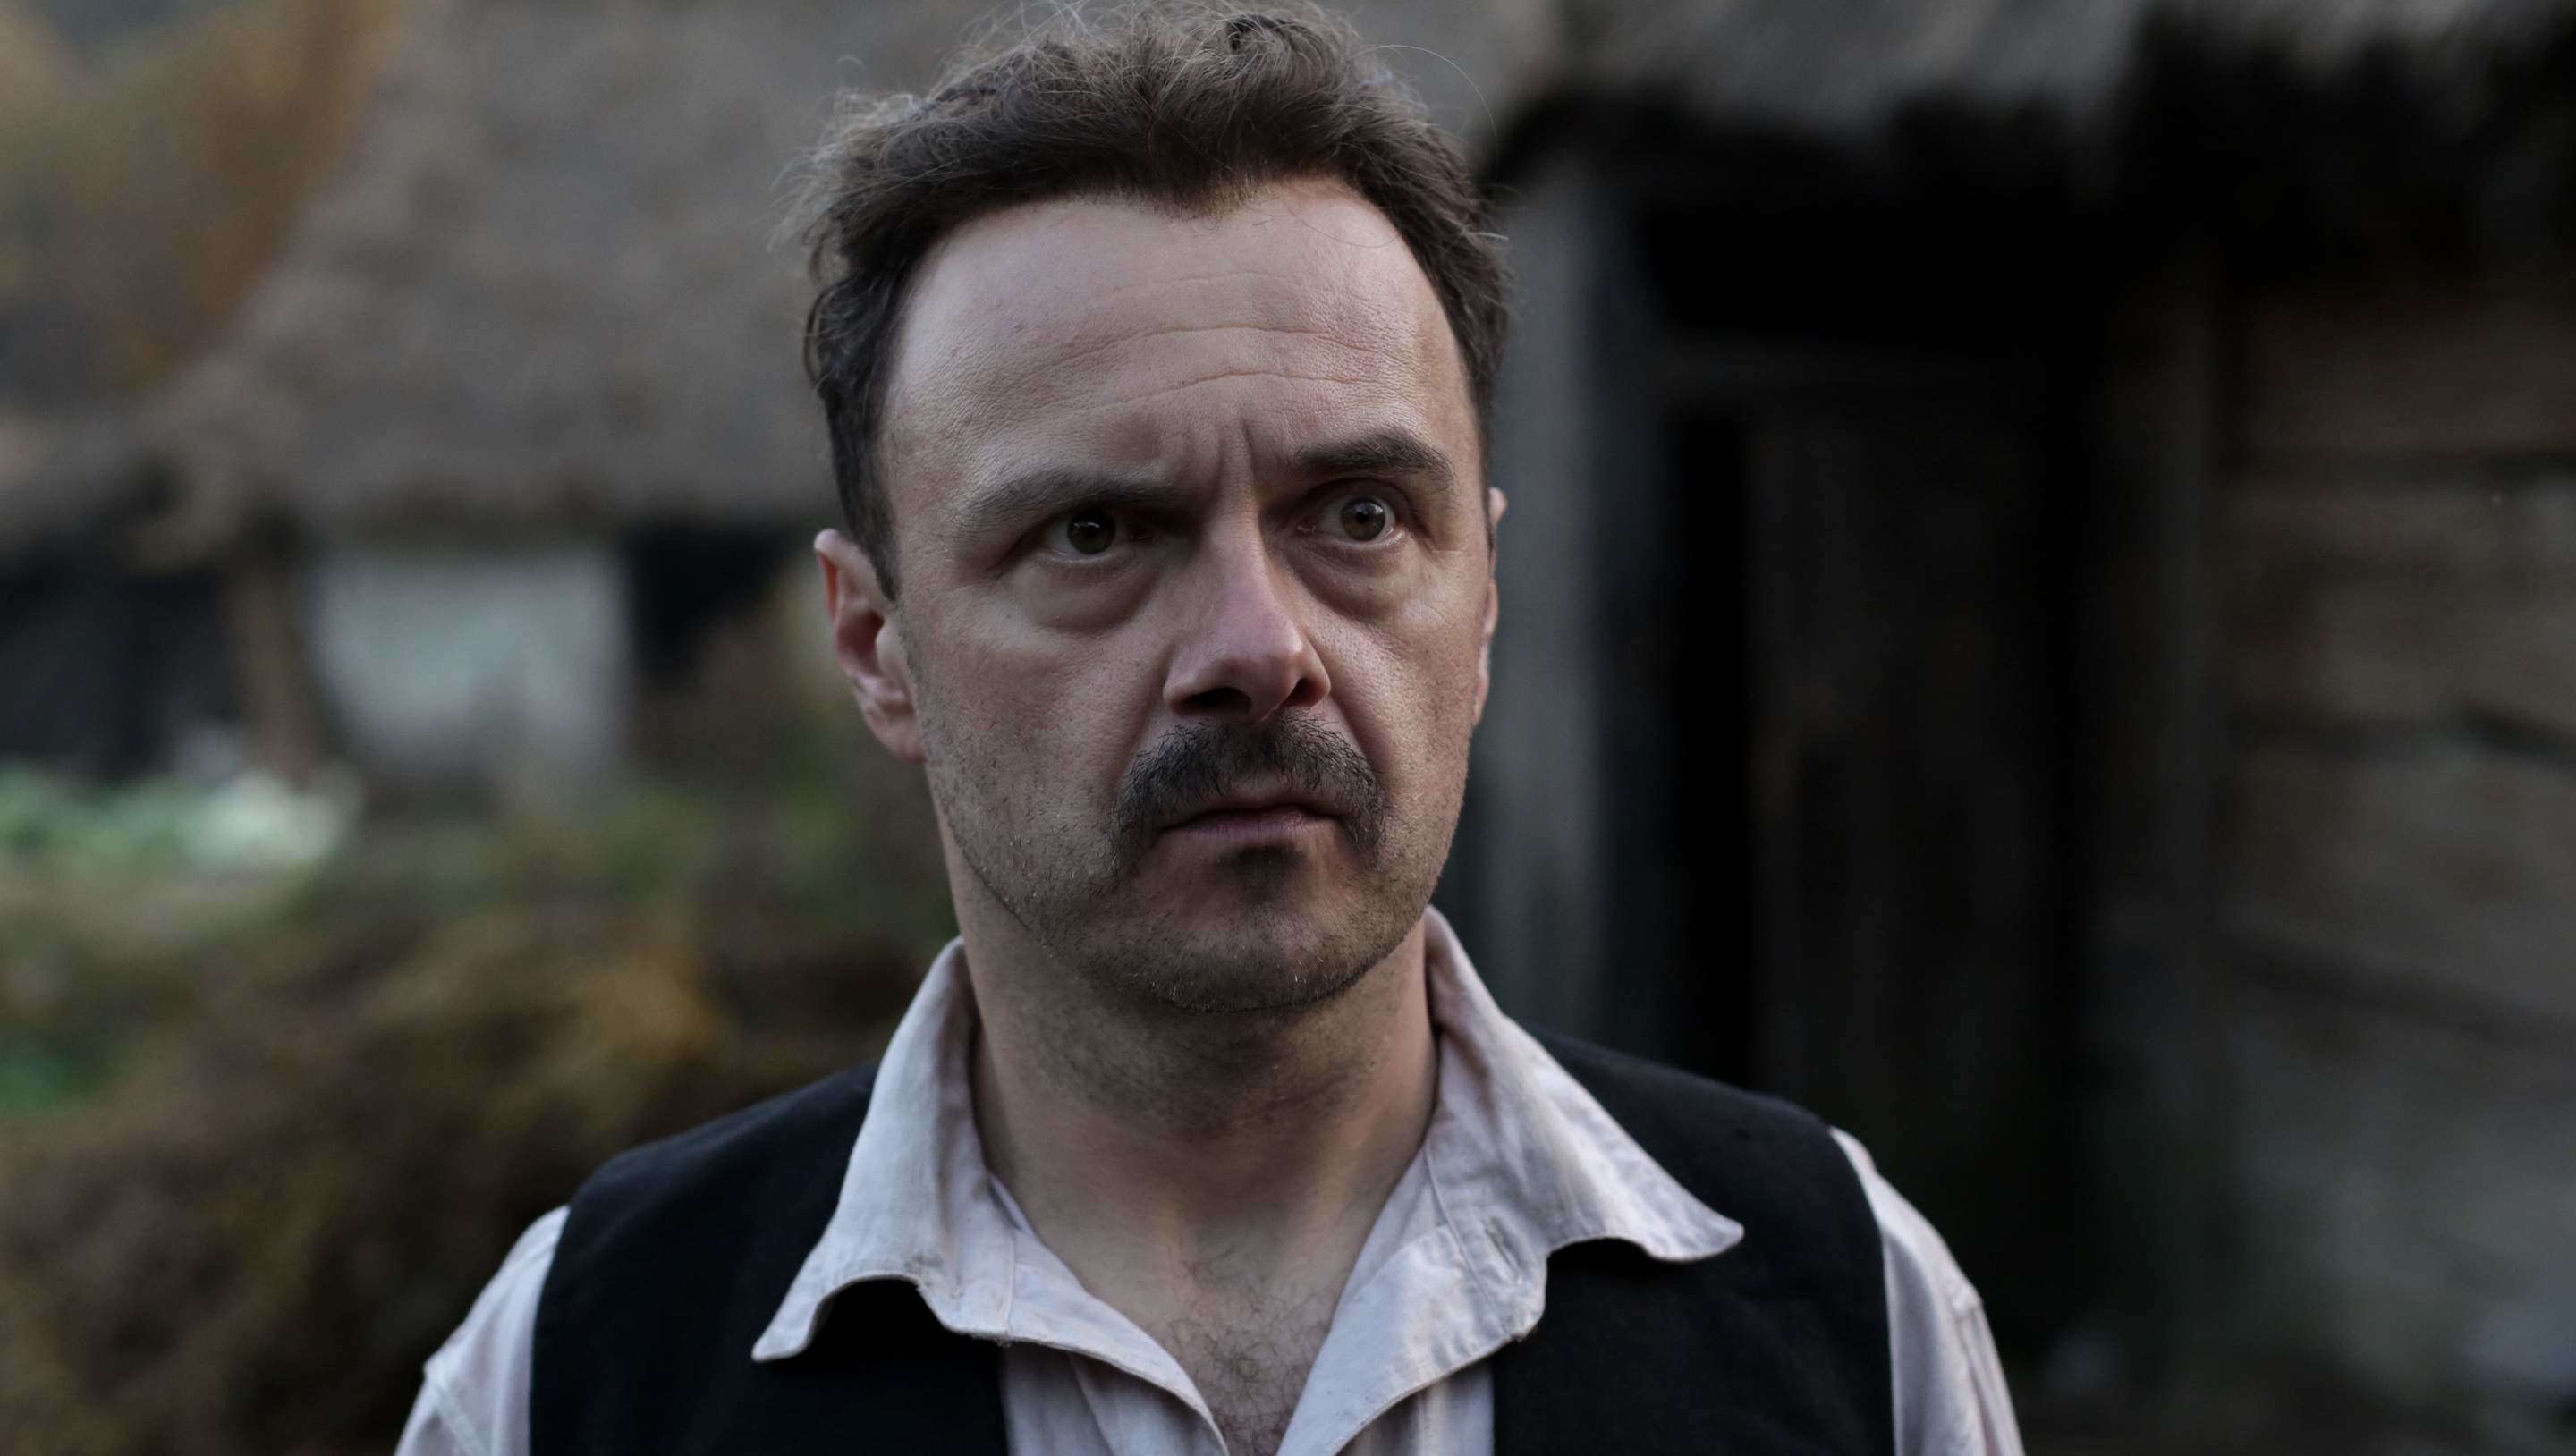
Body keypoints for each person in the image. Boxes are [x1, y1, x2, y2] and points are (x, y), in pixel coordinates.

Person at [396, 6, 2023, 1453]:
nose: (1259, 649)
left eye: (1360, 515)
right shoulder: (576, 1375)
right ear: (876, 645)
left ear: (1483, 595)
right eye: (1096, 533)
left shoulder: (1849, 1312)